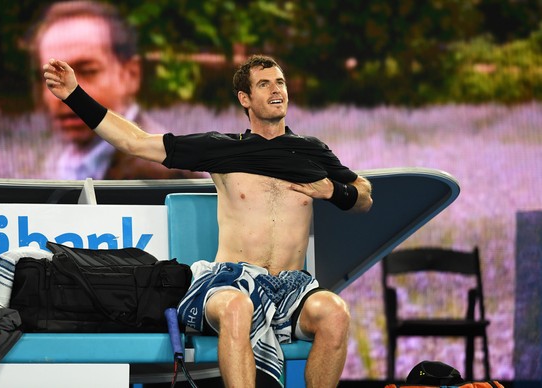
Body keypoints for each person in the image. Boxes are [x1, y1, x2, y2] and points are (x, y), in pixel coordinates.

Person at [43, 54, 373, 387]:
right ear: (245, 99)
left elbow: (364, 195)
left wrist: (333, 190)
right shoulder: (222, 148)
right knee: (237, 309)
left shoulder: (312, 151)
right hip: (231, 282)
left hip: (291, 287)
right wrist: (74, 93)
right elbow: (134, 141)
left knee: (335, 313)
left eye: (280, 82)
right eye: (264, 84)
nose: (277, 90)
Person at [26, 1, 201, 180]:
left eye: (88, 71)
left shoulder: (162, 170)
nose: (62, 94)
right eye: (51, 77)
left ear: (130, 75)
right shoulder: (60, 163)